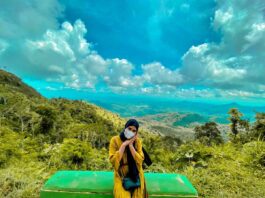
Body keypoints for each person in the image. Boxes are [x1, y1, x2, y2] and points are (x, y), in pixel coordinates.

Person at [109, 118, 148, 198]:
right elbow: (113, 161)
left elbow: (140, 160)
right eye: (129, 129)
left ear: (136, 133)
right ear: (125, 128)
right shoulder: (115, 140)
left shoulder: (137, 142)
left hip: (136, 174)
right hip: (121, 174)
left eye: (134, 131)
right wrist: (124, 145)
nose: (131, 132)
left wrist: (130, 145)